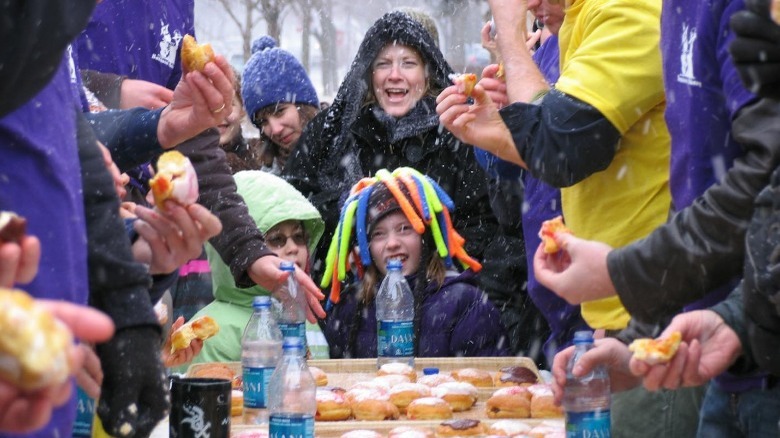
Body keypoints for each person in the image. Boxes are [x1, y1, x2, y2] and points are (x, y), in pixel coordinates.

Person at [542, 0, 780, 434]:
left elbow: (764, 177)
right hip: (726, 352)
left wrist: (623, 273)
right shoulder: (675, 8)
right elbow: (693, 185)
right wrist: (639, 340)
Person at [284, 10, 534, 357]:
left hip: (448, 316)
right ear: (368, 73)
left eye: (408, 63)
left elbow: (493, 224)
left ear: (428, 71)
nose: (395, 75)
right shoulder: (334, 134)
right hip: (358, 308)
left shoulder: (459, 129)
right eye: (383, 63)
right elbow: (300, 212)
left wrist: (452, 283)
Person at [479, 0, 588, 366]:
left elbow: (559, 146)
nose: (530, 3)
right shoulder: (548, 48)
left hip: (602, 287)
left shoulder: (604, 34)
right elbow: (516, 170)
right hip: (547, 288)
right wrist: (490, 124)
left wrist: (509, 36)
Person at [321, 168, 509, 358]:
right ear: (367, 246)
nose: (392, 243)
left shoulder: (467, 304)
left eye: (404, 229)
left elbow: (490, 381)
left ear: (425, 237)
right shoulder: (350, 308)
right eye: (379, 234)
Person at [187, 170, 328, 364]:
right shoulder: (210, 331)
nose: (293, 248)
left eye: (299, 237)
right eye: (276, 239)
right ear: (244, 249)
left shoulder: (304, 319)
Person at [241, 36, 319, 175]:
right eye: (263, 122)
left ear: (304, 104)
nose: (275, 130)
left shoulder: (346, 146)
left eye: (279, 111)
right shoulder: (267, 178)